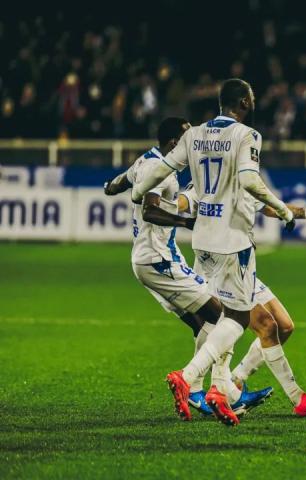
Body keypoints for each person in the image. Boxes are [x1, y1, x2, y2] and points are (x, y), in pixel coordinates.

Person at [130, 78, 306, 426]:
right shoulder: (246, 138)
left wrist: (138, 191)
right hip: (232, 244)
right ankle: (200, 381)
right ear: (244, 103)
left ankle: (226, 387)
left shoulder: (196, 137)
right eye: (252, 99)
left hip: (205, 244)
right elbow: (252, 184)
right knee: (238, 319)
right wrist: (283, 212)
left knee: (278, 324)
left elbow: (163, 167)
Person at [103, 117, 272, 419]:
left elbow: (118, 183)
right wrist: (187, 221)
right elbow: (151, 209)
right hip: (160, 261)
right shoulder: (163, 172)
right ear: (173, 143)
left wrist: (108, 187)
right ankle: (203, 388)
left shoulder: (144, 160)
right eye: (185, 138)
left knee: (202, 323)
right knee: (221, 314)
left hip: (147, 260)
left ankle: (217, 392)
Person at [179, 183, 306, 416]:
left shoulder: (242, 177)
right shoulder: (208, 178)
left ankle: (234, 382)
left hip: (242, 267)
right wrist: (163, 202)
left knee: (284, 325)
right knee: (266, 325)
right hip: (220, 270)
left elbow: (269, 206)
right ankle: (298, 398)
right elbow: (184, 202)